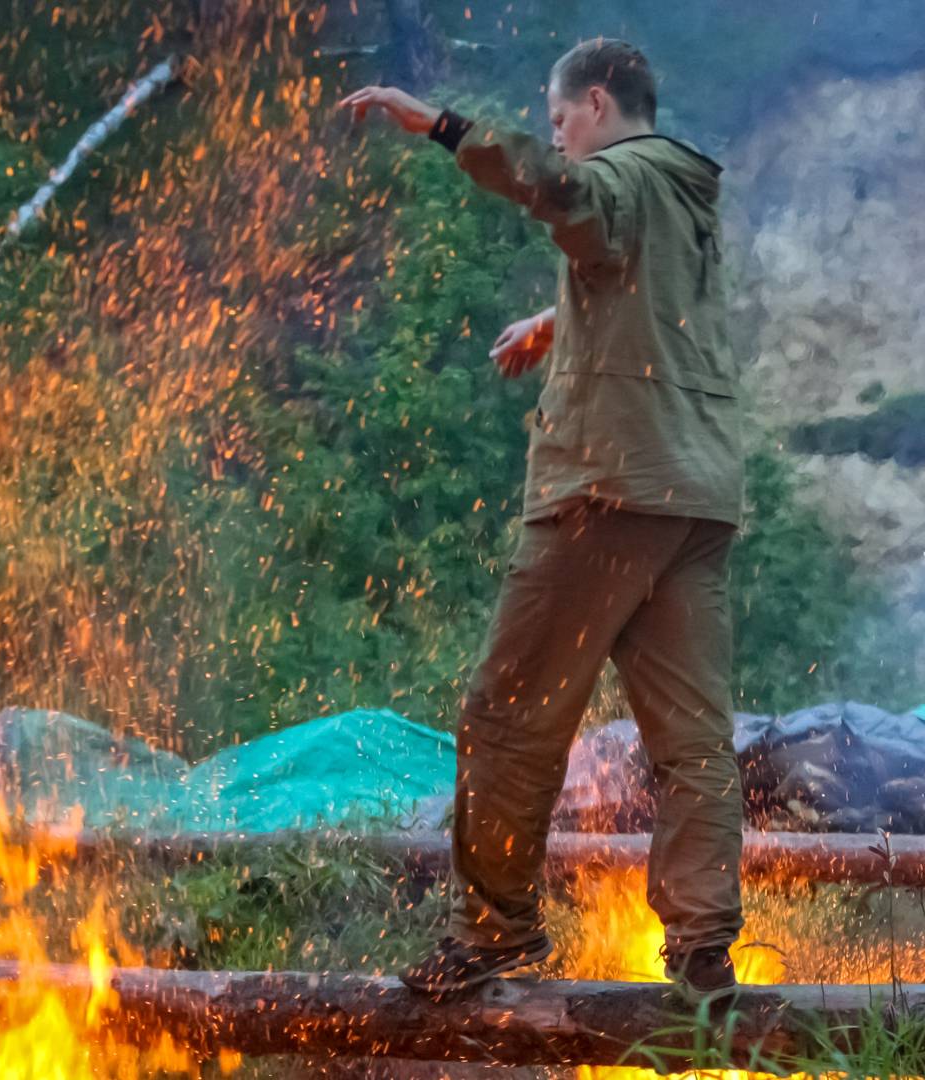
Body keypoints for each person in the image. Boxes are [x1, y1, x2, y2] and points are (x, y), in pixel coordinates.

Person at [340, 38, 745, 1006]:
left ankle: (498, 931)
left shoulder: (614, 175)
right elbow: (643, 294)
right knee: (693, 743)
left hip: (605, 488)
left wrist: (438, 125)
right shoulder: (685, 193)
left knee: (508, 719)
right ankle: (701, 952)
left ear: (595, 104)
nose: (558, 132)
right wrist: (556, 322)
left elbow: (563, 195)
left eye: (561, 116)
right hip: (695, 497)